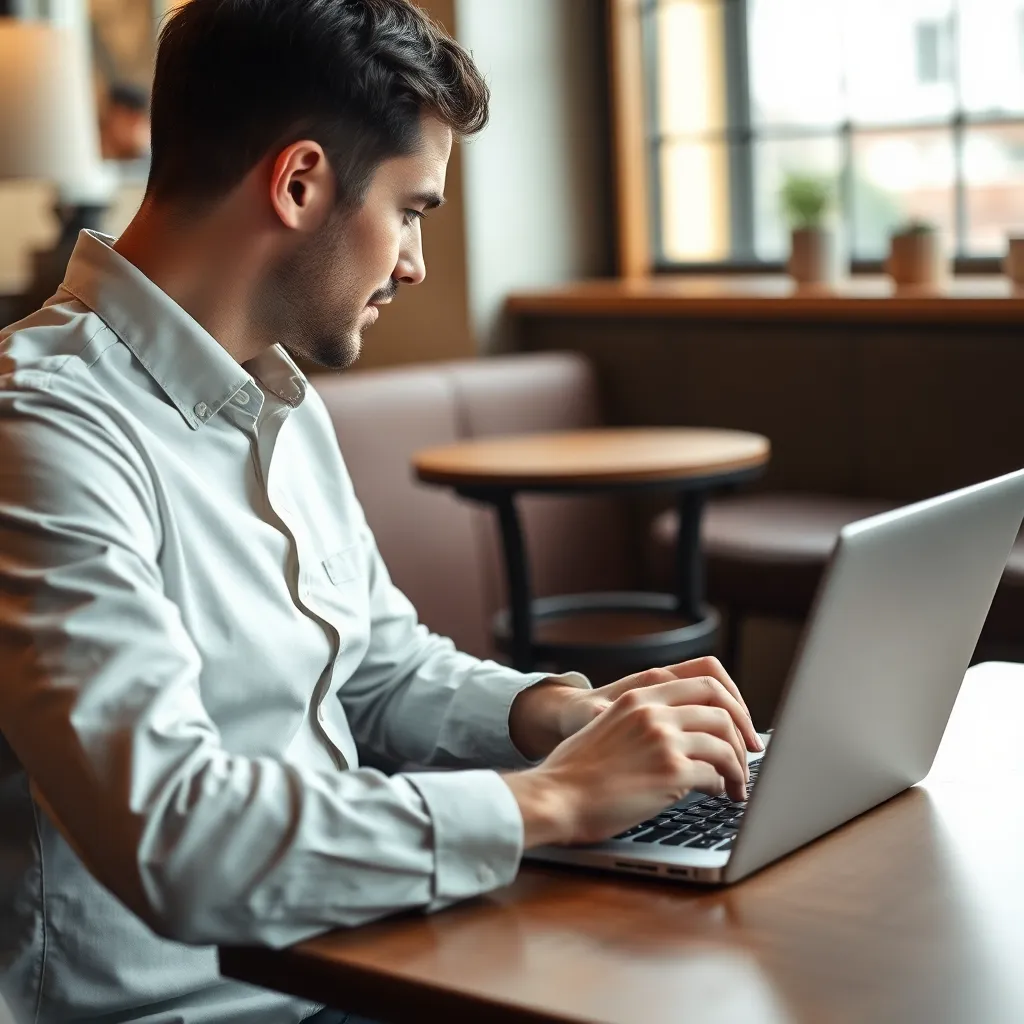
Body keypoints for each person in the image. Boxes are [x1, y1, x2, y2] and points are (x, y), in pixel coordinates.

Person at [0, 2, 762, 1022]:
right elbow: (171, 835)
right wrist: (557, 798)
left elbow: (376, 666)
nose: (415, 264)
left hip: (363, 952)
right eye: (412, 210)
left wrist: (560, 719)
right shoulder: (42, 429)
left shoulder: (276, 395)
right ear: (301, 182)